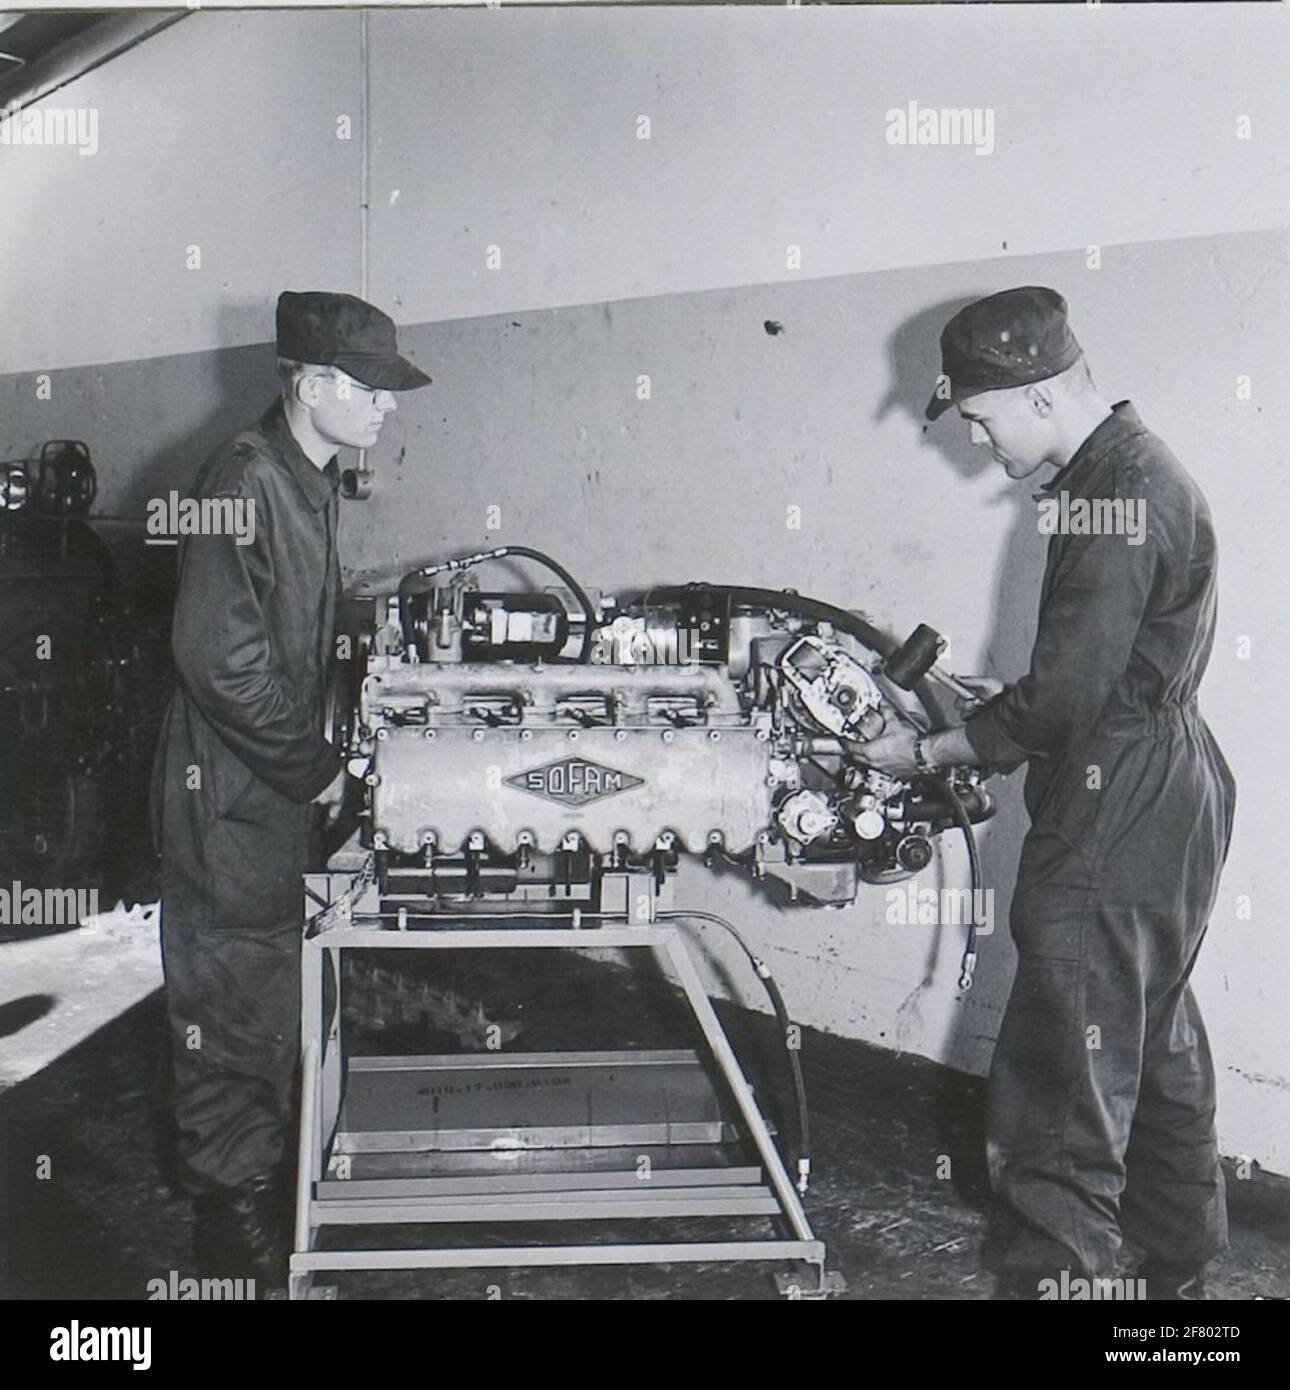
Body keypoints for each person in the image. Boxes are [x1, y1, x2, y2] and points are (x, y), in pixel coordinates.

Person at [862, 287, 1236, 1300]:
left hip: (1118, 798)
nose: (981, 442)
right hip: (1172, 784)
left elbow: (1068, 698)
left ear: (1034, 394)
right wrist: (994, 705)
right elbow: (1100, 672)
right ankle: (1174, 1287)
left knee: (1062, 1080)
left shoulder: (1112, 496)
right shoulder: (1136, 470)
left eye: (981, 419)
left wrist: (935, 749)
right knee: (1149, 1039)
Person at [151, 291, 430, 1286]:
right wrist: (322, 764)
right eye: (370, 390)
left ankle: (273, 1213)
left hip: (269, 804)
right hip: (227, 808)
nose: (387, 408)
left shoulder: (308, 481)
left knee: (271, 1020)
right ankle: (236, 1259)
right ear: (311, 387)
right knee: (232, 1030)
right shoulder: (245, 479)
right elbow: (217, 663)